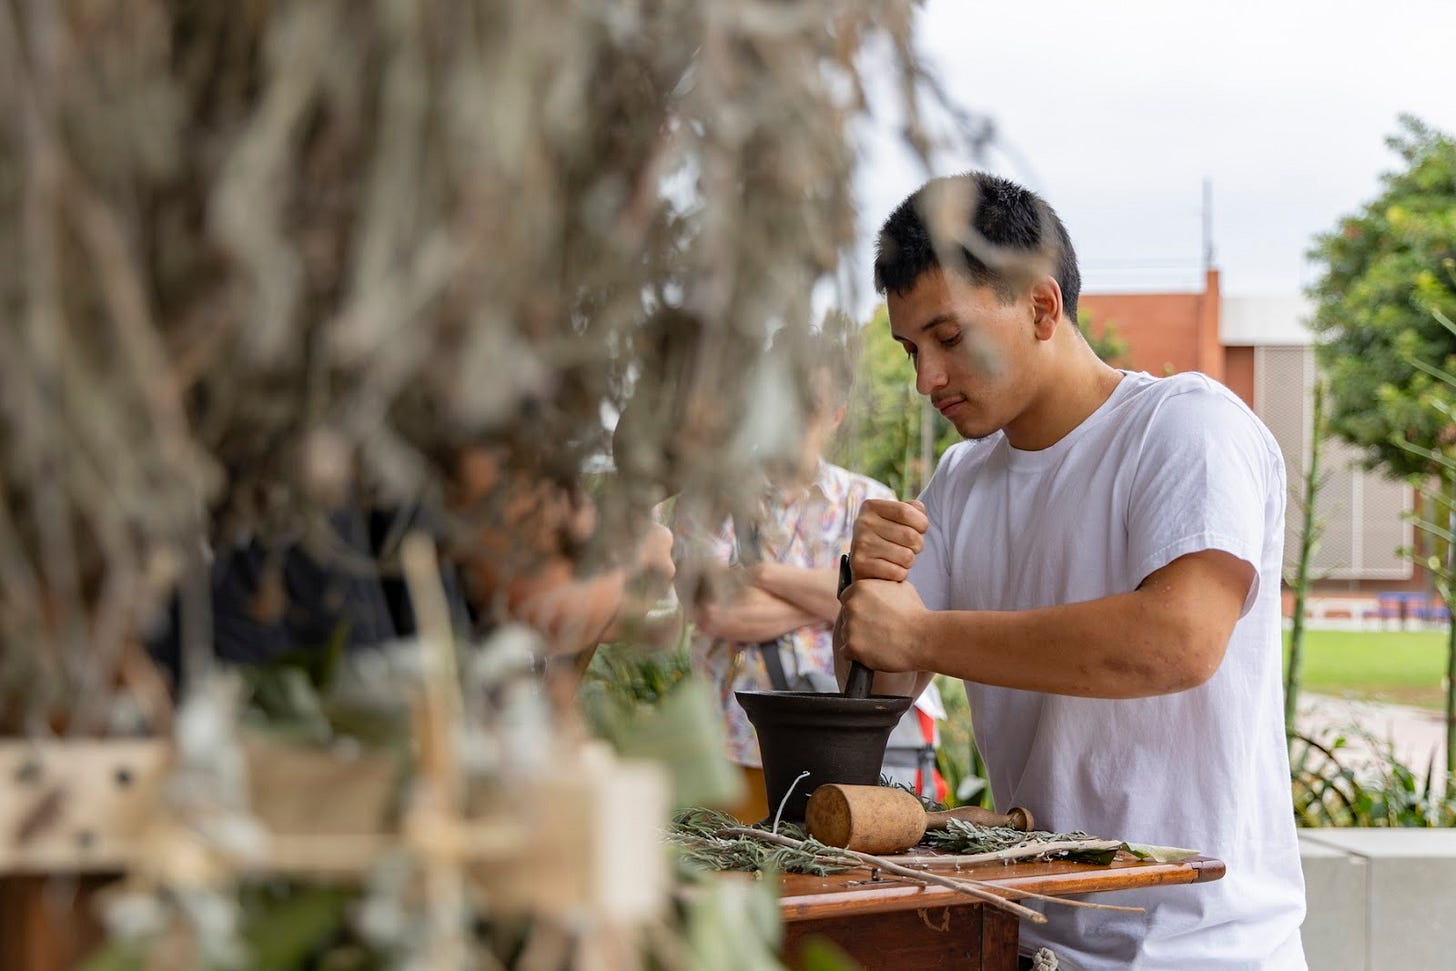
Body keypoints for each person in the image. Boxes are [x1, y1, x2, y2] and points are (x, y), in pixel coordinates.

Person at [836, 173, 1306, 969]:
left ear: (1041, 307)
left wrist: (919, 632)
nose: (926, 379)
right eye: (911, 349)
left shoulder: (1186, 425)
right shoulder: (959, 481)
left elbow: (1178, 641)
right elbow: (879, 690)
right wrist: (867, 589)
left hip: (1203, 948)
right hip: (1029, 938)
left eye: (948, 338)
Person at [674, 326, 944, 822]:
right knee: (737, 867)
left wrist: (755, 572)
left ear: (836, 414)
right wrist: (837, 597)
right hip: (732, 746)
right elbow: (714, 610)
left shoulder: (869, 501)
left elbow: (883, 614)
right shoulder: (710, 499)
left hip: (844, 750)